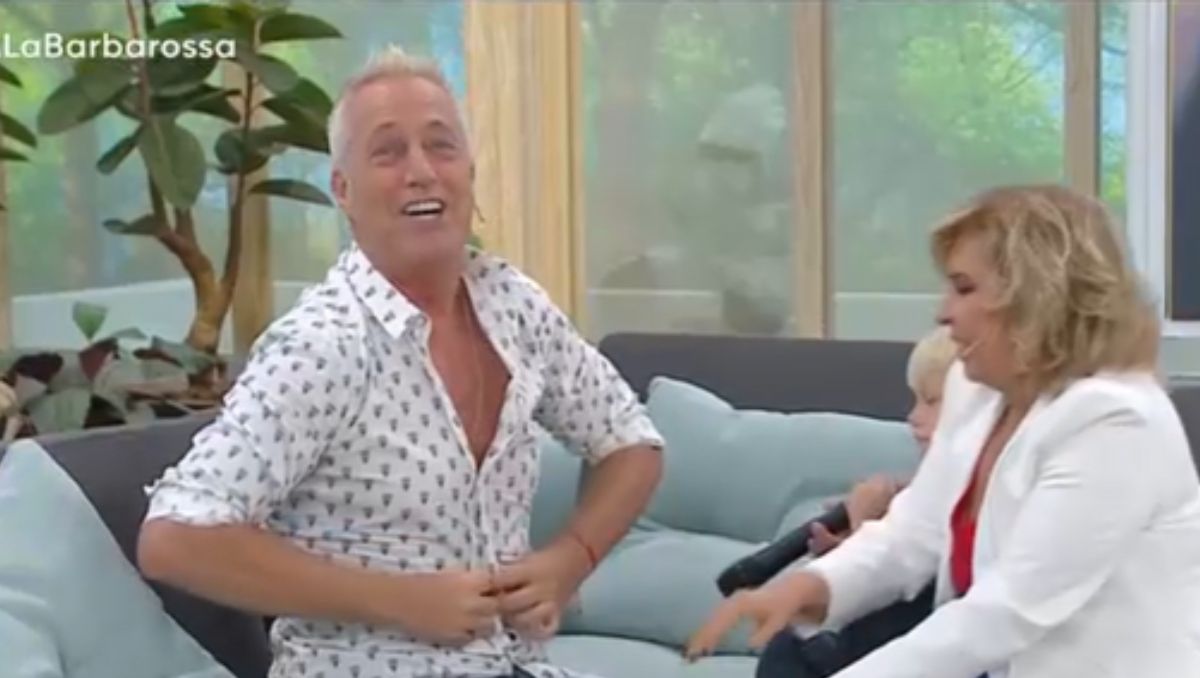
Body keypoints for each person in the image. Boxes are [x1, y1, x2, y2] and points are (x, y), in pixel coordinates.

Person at [136, 45, 664, 678]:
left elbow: (631, 442)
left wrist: (570, 559)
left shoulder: (513, 305)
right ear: (344, 190)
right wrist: (399, 600)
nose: (421, 171)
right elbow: (175, 537)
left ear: (469, 171)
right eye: (388, 152)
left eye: (441, 146)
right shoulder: (323, 346)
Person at [687, 184, 1200, 678]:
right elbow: (914, 534)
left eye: (964, 288)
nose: (942, 312)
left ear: (1037, 298)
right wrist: (809, 586)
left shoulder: (1114, 423)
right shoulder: (976, 390)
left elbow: (1007, 610)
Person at [756, 326, 956, 678]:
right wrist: (847, 553)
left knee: (793, 650)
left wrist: (864, 528)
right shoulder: (927, 491)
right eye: (914, 400)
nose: (913, 416)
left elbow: (919, 590)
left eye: (930, 401)